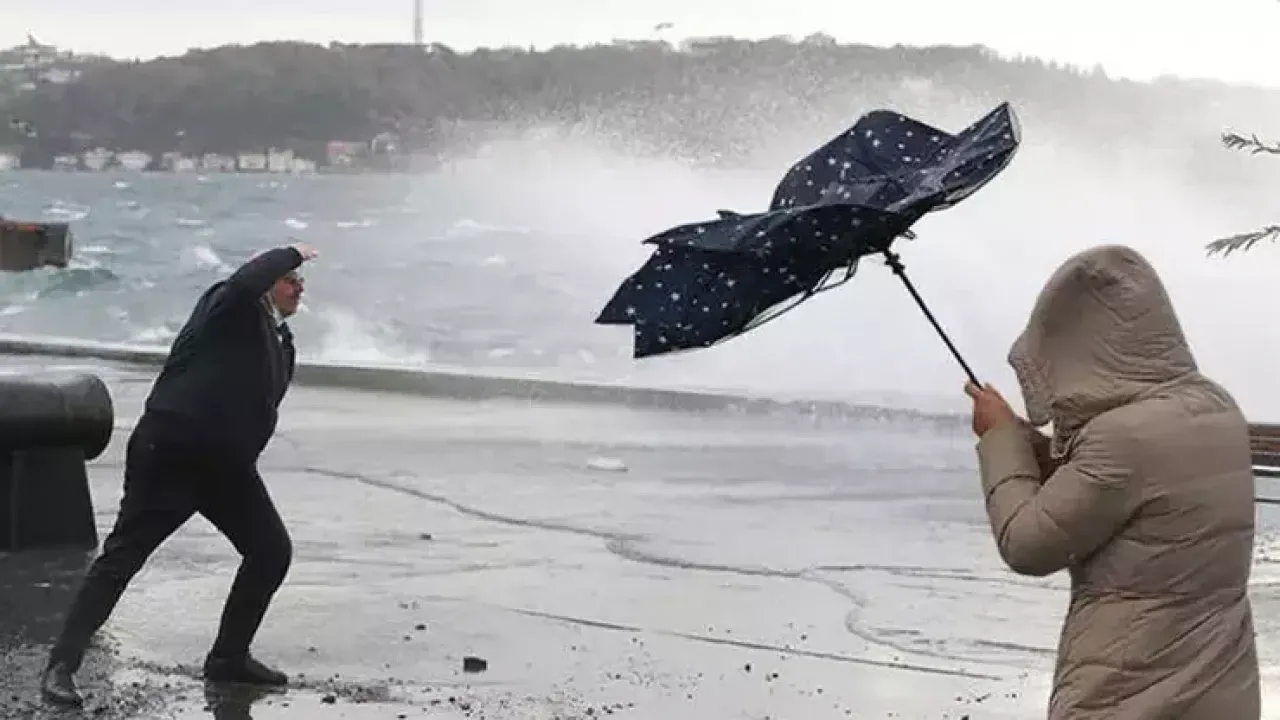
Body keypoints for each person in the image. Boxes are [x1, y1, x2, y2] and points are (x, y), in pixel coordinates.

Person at [965, 244, 1259, 719]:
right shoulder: (1214, 406)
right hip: (1218, 685)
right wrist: (1022, 438)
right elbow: (1116, 494)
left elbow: (1027, 545)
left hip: (1128, 689)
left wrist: (999, 439)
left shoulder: (1122, 437)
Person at [40, 243, 319, 707]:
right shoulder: (227, 305)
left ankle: (229, 658)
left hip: (225, 469)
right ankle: (60, 667)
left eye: (300, 280)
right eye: (290, 279)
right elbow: (244, 281)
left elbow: (261, 403)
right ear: (267, 282)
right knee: (122, 560)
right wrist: (290, 252)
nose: (299, 286)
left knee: (270, 551)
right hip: (170, 456)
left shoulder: (280, 340)